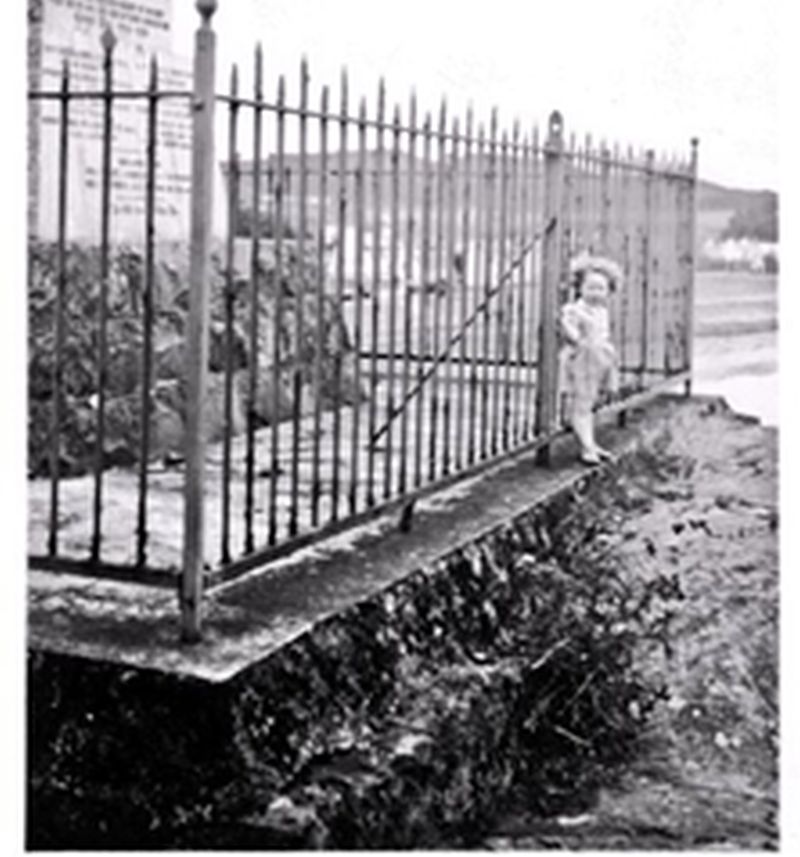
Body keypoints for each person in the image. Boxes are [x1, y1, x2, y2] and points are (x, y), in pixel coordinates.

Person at [558, 253, 621, 465]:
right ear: (580, 288)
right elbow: (573, 337)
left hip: (599, 360)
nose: (596, 293)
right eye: (591, 287)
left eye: (601, 288)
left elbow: (602, 336)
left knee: (590, 405)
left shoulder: (601, 311)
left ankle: (591, 443)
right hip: (582, 360)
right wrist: (569, 327)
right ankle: (586, 448)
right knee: (582, 406)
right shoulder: (574, 310)